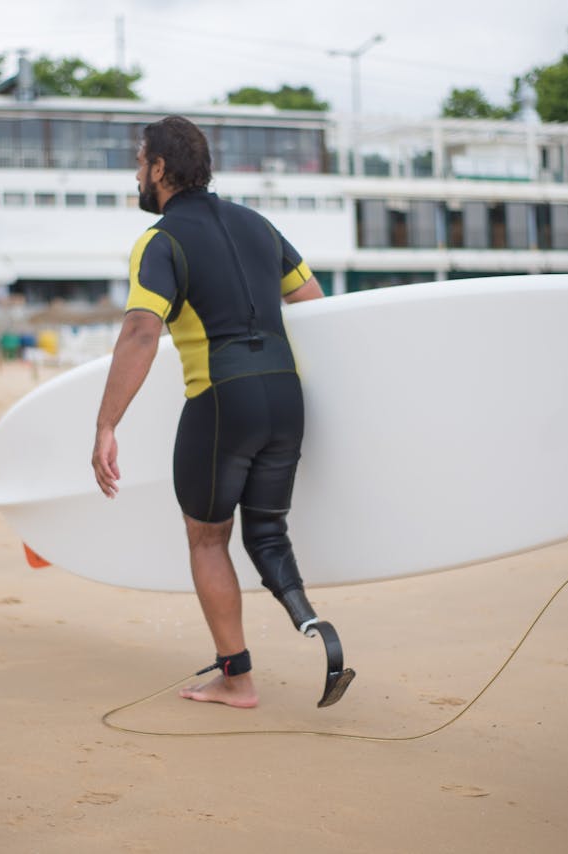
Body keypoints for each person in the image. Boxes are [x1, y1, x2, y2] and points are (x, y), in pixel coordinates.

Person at [91, 115, 348, 709]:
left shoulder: (160, 242)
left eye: (139, 160)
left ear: (159, 169)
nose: (135, 172)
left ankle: (237, 678)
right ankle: (311, 622)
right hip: (287, 397)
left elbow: (139, 332)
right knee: (267, 531)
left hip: (222, 399)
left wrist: (107, 425)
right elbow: (313, 303)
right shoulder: (259, 226)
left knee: (209, 539)